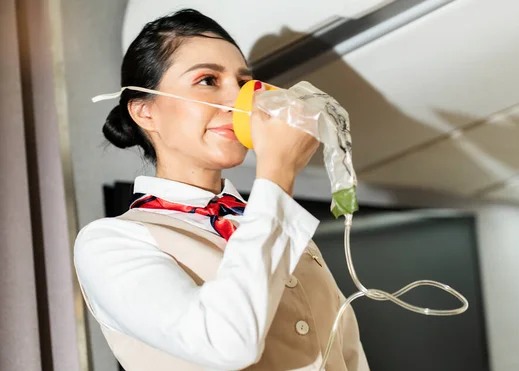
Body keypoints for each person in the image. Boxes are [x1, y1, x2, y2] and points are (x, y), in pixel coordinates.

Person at [74, 8, 369, 371]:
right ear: (145, 112)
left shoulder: (275, 226)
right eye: (208, 80)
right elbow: (227, 345)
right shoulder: (111, 242)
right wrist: (277, 170)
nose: (239, 102)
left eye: (245, 85)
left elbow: (348, 356)